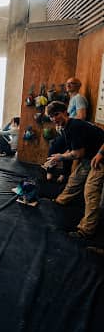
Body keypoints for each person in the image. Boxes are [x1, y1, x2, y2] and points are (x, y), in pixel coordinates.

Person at [45, 101, 104, 239]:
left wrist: (61, 157)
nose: (54, 118)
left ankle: (86, 230)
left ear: (65, 112)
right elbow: (73, 150)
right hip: (90, 156)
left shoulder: (74, 126)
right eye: (51, 117)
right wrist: (59, 157)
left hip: (101, 156)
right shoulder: (65, 127)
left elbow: (78, 154)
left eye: (56, 114)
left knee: (91, 190)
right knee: (75, 179)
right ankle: (61, 200)